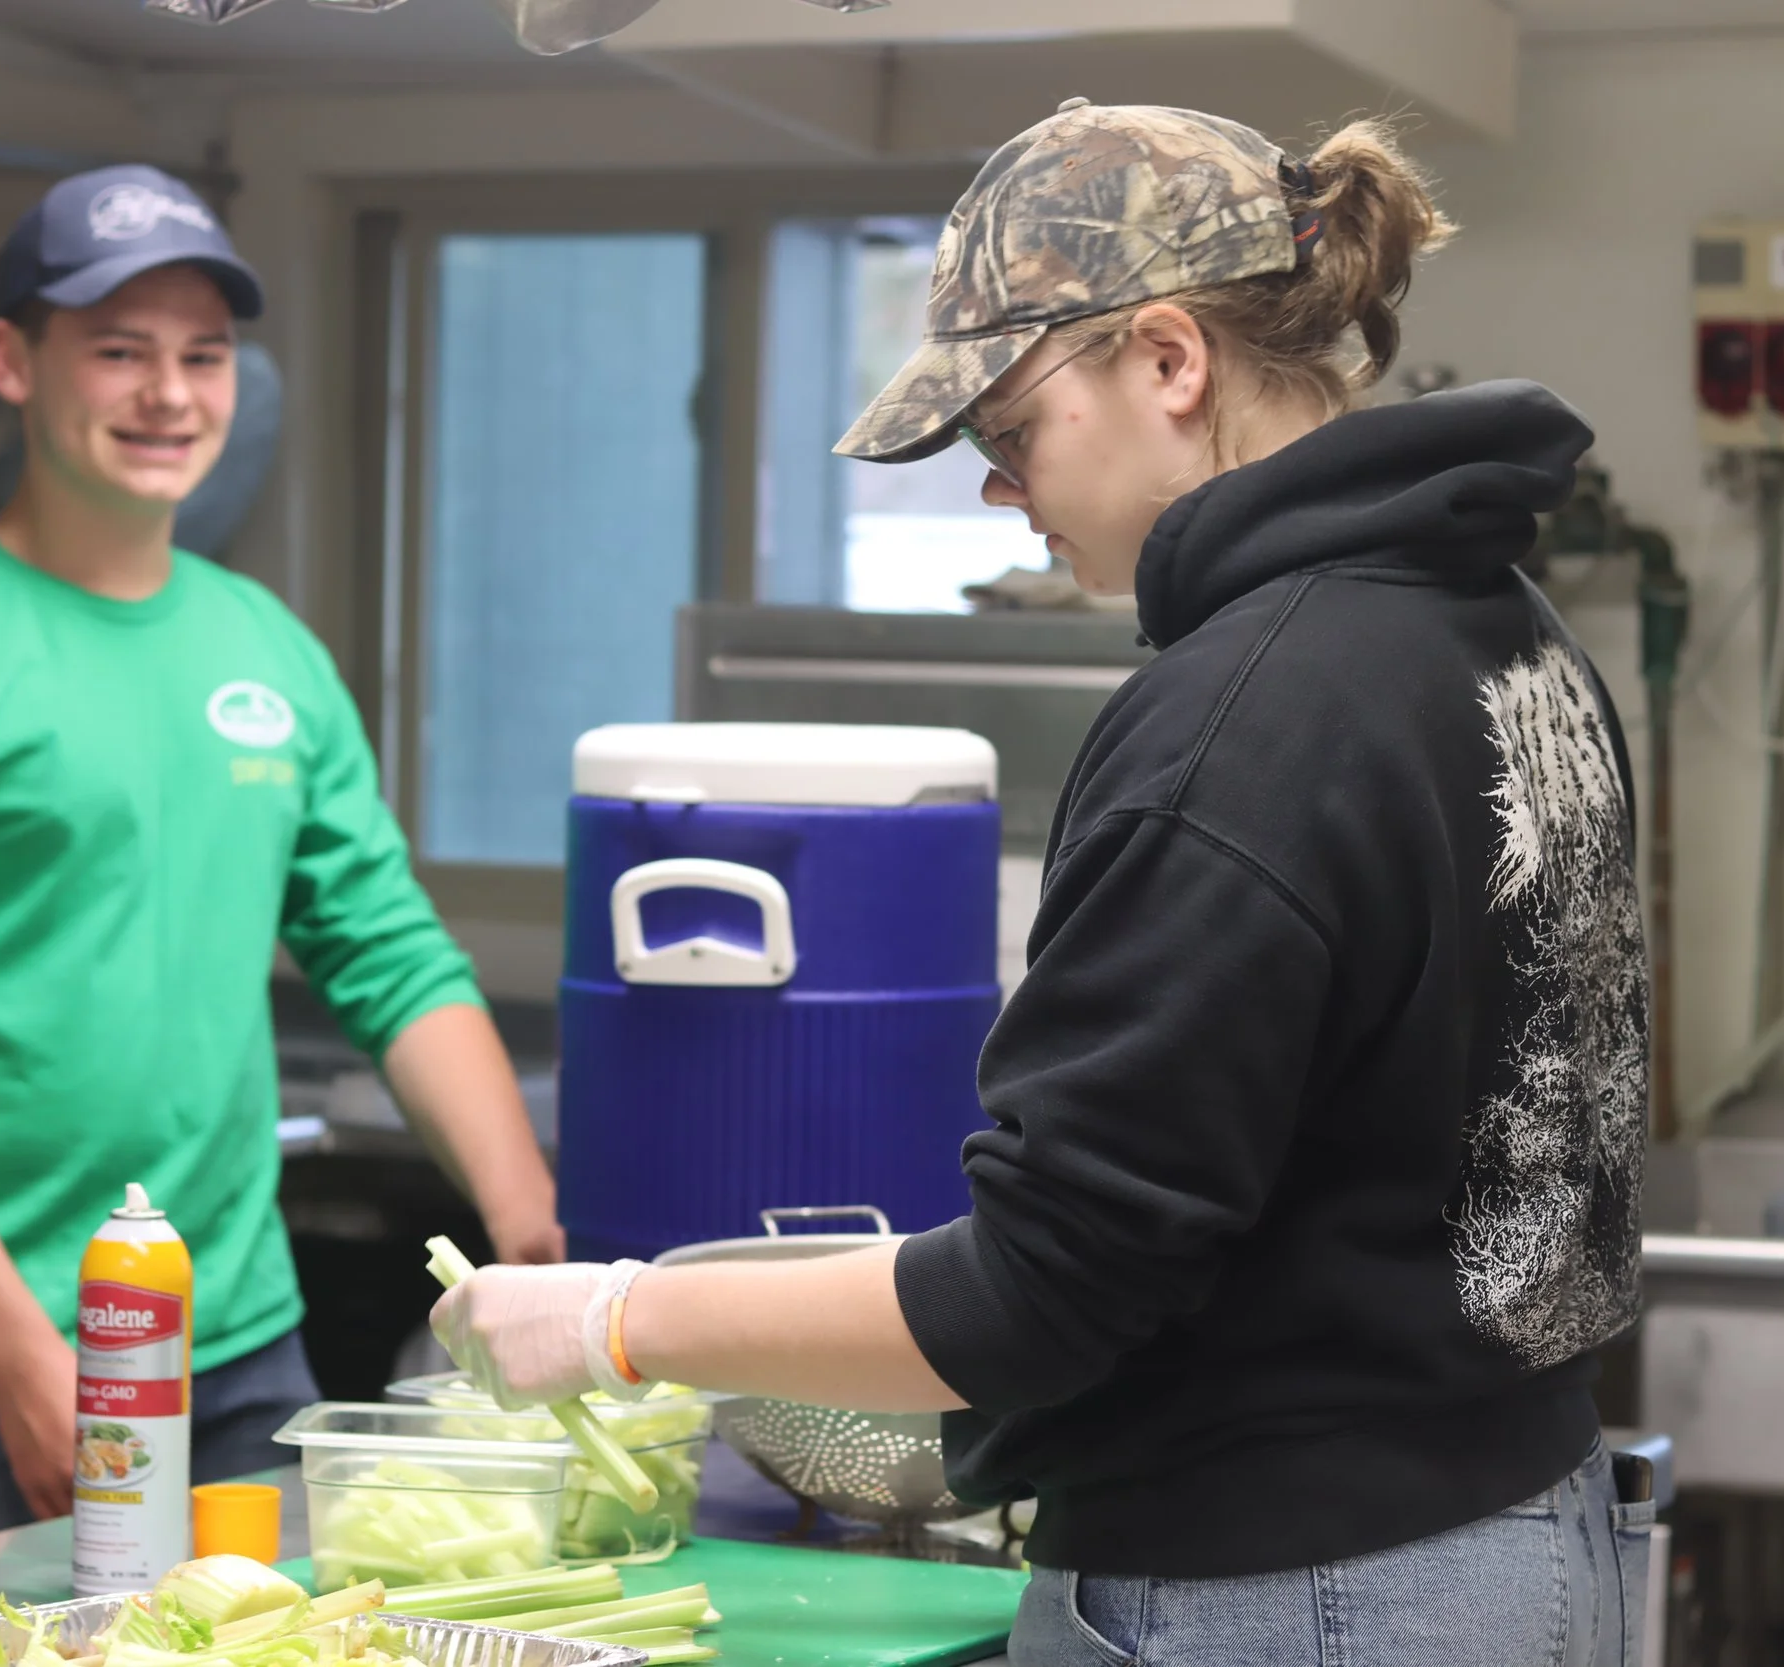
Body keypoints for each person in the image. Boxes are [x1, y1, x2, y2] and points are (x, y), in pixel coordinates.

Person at [432, 103, 1651, 1665]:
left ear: (1167, 359)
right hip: (1525, 1534)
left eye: (1013, 434)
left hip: (1299, 1588)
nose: (1003, 495)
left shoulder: (1246, 715)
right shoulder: (1503, 630)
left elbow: (1043, 1286)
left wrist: (615, 1321)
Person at [0, 165, 564, 1563]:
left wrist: (527, 1228)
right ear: (12, 361)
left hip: (239, 1340)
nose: (169, 395)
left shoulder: (266, 651)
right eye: (118, 350)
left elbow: (387, 950)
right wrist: (20, 1351)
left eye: (204, 355)